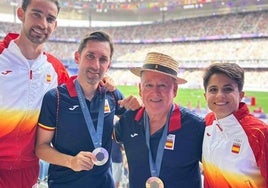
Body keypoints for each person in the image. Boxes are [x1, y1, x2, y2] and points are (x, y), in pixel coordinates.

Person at [35, 31, 141, 188]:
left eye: (103, 59)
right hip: (63, 184)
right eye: (90, 56)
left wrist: (138, 105)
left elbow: (135, 125)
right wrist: (71, 161)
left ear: (109, 65)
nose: (96, 65)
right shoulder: (55, 98)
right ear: (77, 57)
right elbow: (41, 148)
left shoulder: (112, 94)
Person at [0, 0, 69, 187]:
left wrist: (106, 83)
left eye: (50, 18)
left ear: (55, 25)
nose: (42, 24)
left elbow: (80, 94)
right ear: (21, 13)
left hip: (28, 170)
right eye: (36, 14)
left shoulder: (56, 70)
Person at [113, 52, 205, 188]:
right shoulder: (128, 121)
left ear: (174, 90)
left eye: (162, 85)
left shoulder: (196, 127)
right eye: (148, 85)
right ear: (140, 89)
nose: (155, 92)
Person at [202, 62, 268, 188]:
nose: (220, 95)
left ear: (241, 95)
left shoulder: (259, 132)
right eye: (213, 89)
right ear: (206, 96)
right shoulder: (206, 123)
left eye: (228, 89)